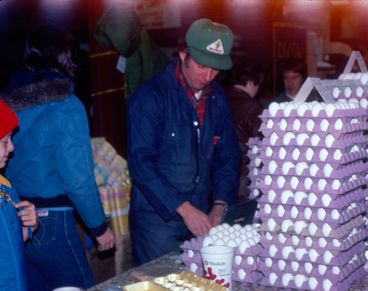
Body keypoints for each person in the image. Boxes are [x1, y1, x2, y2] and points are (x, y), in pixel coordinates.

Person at [1, 25, 114, 290]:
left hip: (16, 215)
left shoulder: (9, 102)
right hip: (52, 223)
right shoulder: (66, 105)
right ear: (66, 57)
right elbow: (78, 180)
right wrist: (99, 227)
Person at [127, 18, 241, 266]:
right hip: (157, 220)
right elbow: (141, 163)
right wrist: (184, 208)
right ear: (182, 54)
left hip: (203, 213)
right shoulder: (151, 97)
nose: (208, 76)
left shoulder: (218, 99)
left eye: (215, 69)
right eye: (201, 66)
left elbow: (228, 156)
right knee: (161, 280)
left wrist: (221, 203)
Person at [0, 100, 38, 291]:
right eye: (5, 141)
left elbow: (11, 246)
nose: (12, 148)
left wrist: (28, 225)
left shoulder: (4, 187)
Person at [226, 59, 265, 202]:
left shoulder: (217, 99)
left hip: (215, 177)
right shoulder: (254, 109)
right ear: (251, 81)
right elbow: (264, 147)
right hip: (243, 178)